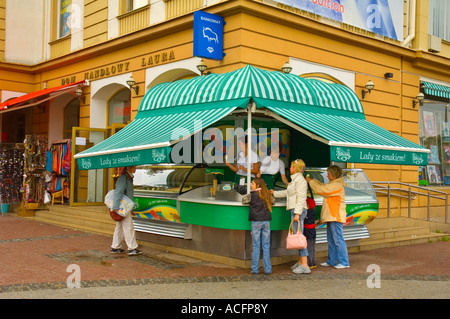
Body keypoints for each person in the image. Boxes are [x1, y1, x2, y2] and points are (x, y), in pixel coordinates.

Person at [305, 165, 349, 269]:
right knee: (331, 240)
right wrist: (313, 180)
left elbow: (322, 190)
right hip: (331, 216)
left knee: (338, 240)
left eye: (329, 174)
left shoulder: (337, 185)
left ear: (333, 175)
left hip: (335, 216)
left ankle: (344, 262)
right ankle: (332, 261)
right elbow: (322, 186)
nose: (327, 176)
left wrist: (311, 181)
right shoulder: (333, 183)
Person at [271, 159, 310, 274]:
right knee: (298, 237)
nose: (290, 169)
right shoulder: (295, 180)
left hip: (298, 211)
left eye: (292, 167)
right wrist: (274, 193)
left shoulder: (300, 181)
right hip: (296, 211)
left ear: (296, 168)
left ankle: (305, 265)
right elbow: (288, 193)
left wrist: (297, 214)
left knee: (299, 238)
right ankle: (300, 262)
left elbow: (301, 198)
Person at [242, 178, 274, 275]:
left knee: (256, 246)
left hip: (256, 221)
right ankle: (267, 269)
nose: (251, 185)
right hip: (266, 221)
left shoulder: (251, 195)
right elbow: (274, 202)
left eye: (253, 183)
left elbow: (243, 200)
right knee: (266, 246)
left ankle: (255, 269)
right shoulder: (267, 195)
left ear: (258, 186)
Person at [110, 166, 142, 256]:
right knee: (129, 226)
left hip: (124, 207)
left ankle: (115, 247)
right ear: (129, 168)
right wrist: (115, 206)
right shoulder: (124, 177)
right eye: (134, 167)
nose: (135, 168)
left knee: (119, 227)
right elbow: (118, 192)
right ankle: (132, 248)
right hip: (122, 207)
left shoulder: (128, 177)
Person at [304, 196, 317, 269]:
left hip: (308, 232)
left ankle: (309, 263)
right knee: (312, 248)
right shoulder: (313, 212)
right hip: (313, 232)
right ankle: (314, 262)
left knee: (308, 248)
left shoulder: (307, 212)